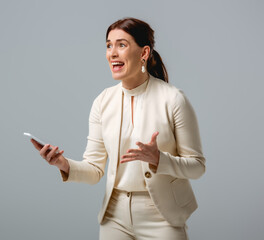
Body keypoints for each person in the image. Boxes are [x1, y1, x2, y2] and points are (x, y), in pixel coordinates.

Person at [30, 17, 205, 240]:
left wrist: (160, 159)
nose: (112, 53)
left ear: (144, 53)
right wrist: (62, 164)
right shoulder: (102, 102)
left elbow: (197, 166)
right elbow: (94, 170)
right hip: (114, 216)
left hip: (162, 215)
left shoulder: (173, 99)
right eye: (108, 45)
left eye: (121, 45)